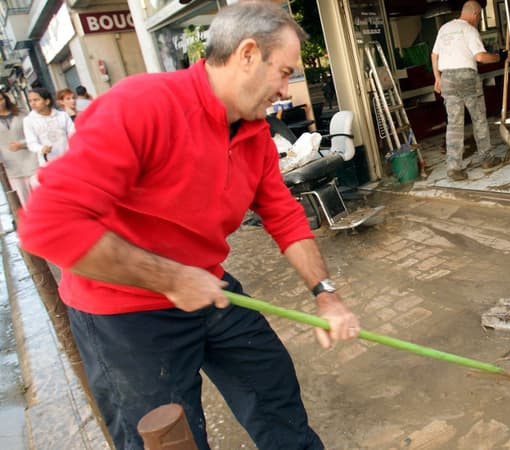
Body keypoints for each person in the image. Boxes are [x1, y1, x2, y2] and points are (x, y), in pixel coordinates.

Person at [17, 2, 359, 449]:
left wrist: (326, 296)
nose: (284, 88)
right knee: (168, 435)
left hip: (207, 285)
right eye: (283, 72)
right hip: (123, 310)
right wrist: (171, 277)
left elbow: (283, 214)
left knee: (272, 386)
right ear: (248, 54)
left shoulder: (254, 131)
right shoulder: (143, 105)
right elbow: (47, 223)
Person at [431, 0, 510, 181]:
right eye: (480, 17)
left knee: (454, 124)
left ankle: (453, 167)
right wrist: (500, 56)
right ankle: (487, 160)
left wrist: (437, 78)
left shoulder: (444, 29)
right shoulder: (469, 30)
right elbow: (481, 57)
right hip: (466, 78)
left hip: (447, 79)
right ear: (475, 14)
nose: (479, 20)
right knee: (478, 119)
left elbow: (434, 55)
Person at [0, 92, 38, 206]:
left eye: (1, 99)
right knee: (25, 201)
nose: (0, 103)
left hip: (31, 158)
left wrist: (22, 144)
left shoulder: (21, 113)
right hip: (10, 165)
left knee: (40, 193)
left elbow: (35, 133)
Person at [23, 88, 75, 167]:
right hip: (49, 164)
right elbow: (31, 143)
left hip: (69, 159)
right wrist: (41, 148)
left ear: (47, 101)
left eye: (36, 100)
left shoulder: (62, 115)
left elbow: (73, 134)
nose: (32, 103)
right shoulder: (28, 120)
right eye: (30, 101)